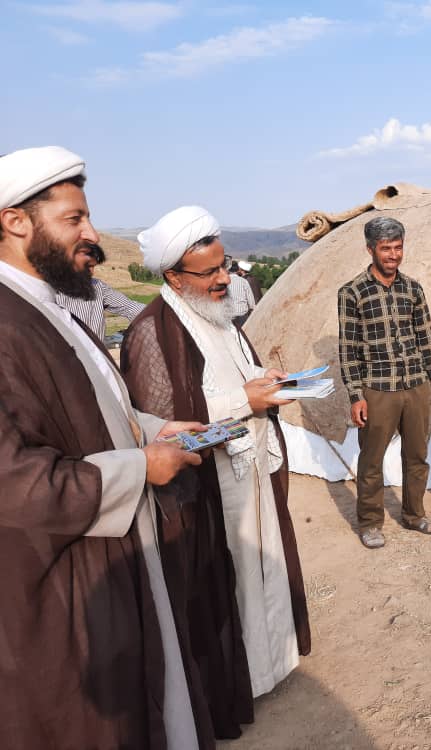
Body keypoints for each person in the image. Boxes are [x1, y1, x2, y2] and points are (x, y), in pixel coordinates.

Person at [0, 146, 211, 748]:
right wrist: (139, 467)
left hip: (116, 547)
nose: (92, 234)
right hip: (63, 581)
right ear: (16, 221)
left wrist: (150, 427)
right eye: (74, 219)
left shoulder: (44, 305)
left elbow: (90, 405)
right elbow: (15, 481)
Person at [122, 205, 312, 735]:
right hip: (209, 489)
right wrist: (242, 400)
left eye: (223, 265)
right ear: (174, 277)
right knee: (226, 584)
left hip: (249, 470)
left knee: (263, 568)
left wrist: (263, 381)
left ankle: (273, 665)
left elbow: (235, 372)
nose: (223, 279)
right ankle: (239, 685)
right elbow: (162, 422)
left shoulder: (221, 314)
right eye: (208, 273)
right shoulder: (150, 333)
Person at [338, 216, 431, 548]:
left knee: (417, 456)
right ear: (370, 249)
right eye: (385, 248)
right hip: (377, 388)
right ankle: (371, 522)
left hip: (415, 385)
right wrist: (356, 395)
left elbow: (425, 340)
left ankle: (414, 515)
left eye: (398, 247)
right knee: (371, 460)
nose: (393, 255)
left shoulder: (412, 288)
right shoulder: (352, 292)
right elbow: (349, 349)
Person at [56, 276, 144, 340]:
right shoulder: (47, 290)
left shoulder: (97, 286)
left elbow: (129, 307)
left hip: (95, 360)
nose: (92, 271)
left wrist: (156, 312)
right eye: (87, 265)